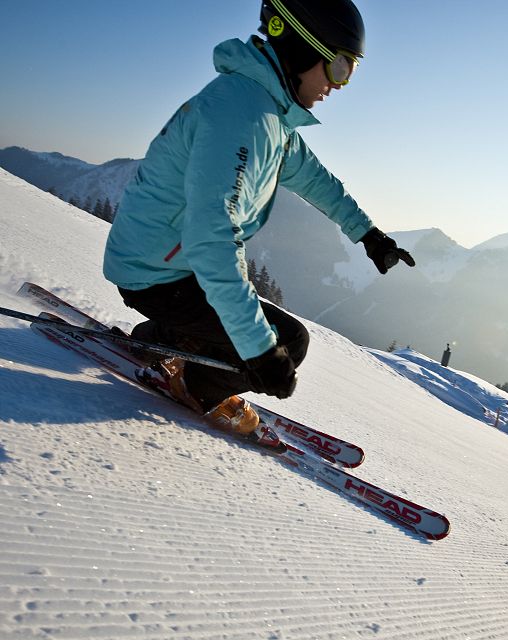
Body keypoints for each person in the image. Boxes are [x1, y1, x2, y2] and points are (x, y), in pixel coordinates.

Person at [103, 0, 415, 442]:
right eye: (340, 67)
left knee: (260, 332)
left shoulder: (267, 114)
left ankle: (166, 339)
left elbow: (316, 180)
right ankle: (193, 384)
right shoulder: (243, 117)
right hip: (158, 272)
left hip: (163, 263)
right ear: (303, 49)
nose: (340, 85)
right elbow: (211, 238)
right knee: (290, 340)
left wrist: (367, 233)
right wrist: (260, 351)